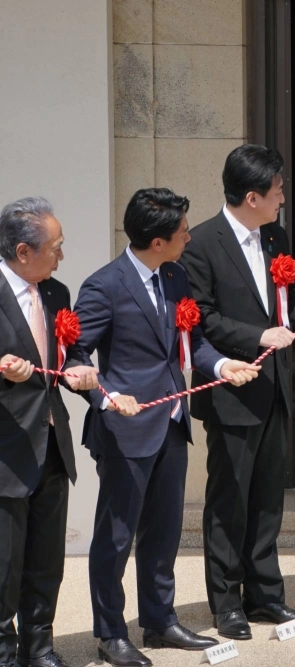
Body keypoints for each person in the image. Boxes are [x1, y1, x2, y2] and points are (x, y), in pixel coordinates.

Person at [74, 188, 259, 667]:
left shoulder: (175, 275)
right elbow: (76, 358)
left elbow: (191, 341)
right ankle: (111, 633)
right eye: (182, 232)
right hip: (126, 430)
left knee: (164, 532)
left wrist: (223, 367)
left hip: (172, 423)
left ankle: (160, 621)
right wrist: (108, 397)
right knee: (116, 538)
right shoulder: (104, 285)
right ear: (157, 241)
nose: (188, 238)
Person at [180, 144, 295, 640]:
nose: (282, 198)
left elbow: (291, 300)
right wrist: (257, 335)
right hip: (232, 388)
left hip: (274, 387)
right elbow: (203, 318)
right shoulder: (201, 243)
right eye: (277, 190)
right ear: (252, 196)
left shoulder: (275, 236)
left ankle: (266, 596)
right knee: (229, 499)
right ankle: (226, 602)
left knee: (267, 498)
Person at [0, 197, 98, 667]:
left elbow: (71, 352)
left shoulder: (57, 292)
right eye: (55, 247)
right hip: (7, 450)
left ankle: (38, 647)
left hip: (52, 444)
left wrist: (81, 370)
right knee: (5, 563)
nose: (61, 256)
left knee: (46, 560)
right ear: (23, 252)